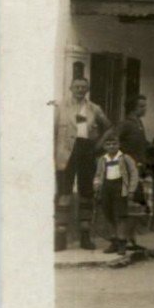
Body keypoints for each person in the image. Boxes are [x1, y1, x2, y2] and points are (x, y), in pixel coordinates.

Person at [54, 62, 111, 250]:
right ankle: (60, 236)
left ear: (87, 90)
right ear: (70, 88)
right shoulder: (60, 107)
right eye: (76, 87)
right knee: (64, 193)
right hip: (66, 154)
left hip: (86, 151)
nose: (80, 90)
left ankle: (85, 236)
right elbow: (51, 131)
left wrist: (98, 145)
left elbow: (109, 129)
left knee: (86, 194)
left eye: (83, 87)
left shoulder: (94, 108)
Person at [93, 132, 141, 255]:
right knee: (109, 216)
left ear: (119, 145)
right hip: (106, 188)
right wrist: (97, 188)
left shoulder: (125, 158)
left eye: (114, 144)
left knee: (120, 216)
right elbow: (98, 175)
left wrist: (131, 190)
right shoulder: (103, 160)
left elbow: (134, 174)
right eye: (108, 144)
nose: (112, 146)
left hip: (120, 189)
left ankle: (122, 243)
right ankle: (113, 241)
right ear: (104, 146)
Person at [117, 93, 154, 169]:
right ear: (132, 108)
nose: (145, 109)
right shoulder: (126, 124)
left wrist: (149, 144)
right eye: (141, 106)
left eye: (145, 106)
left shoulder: (139, 123)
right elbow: (114, 140)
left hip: (139, 164)